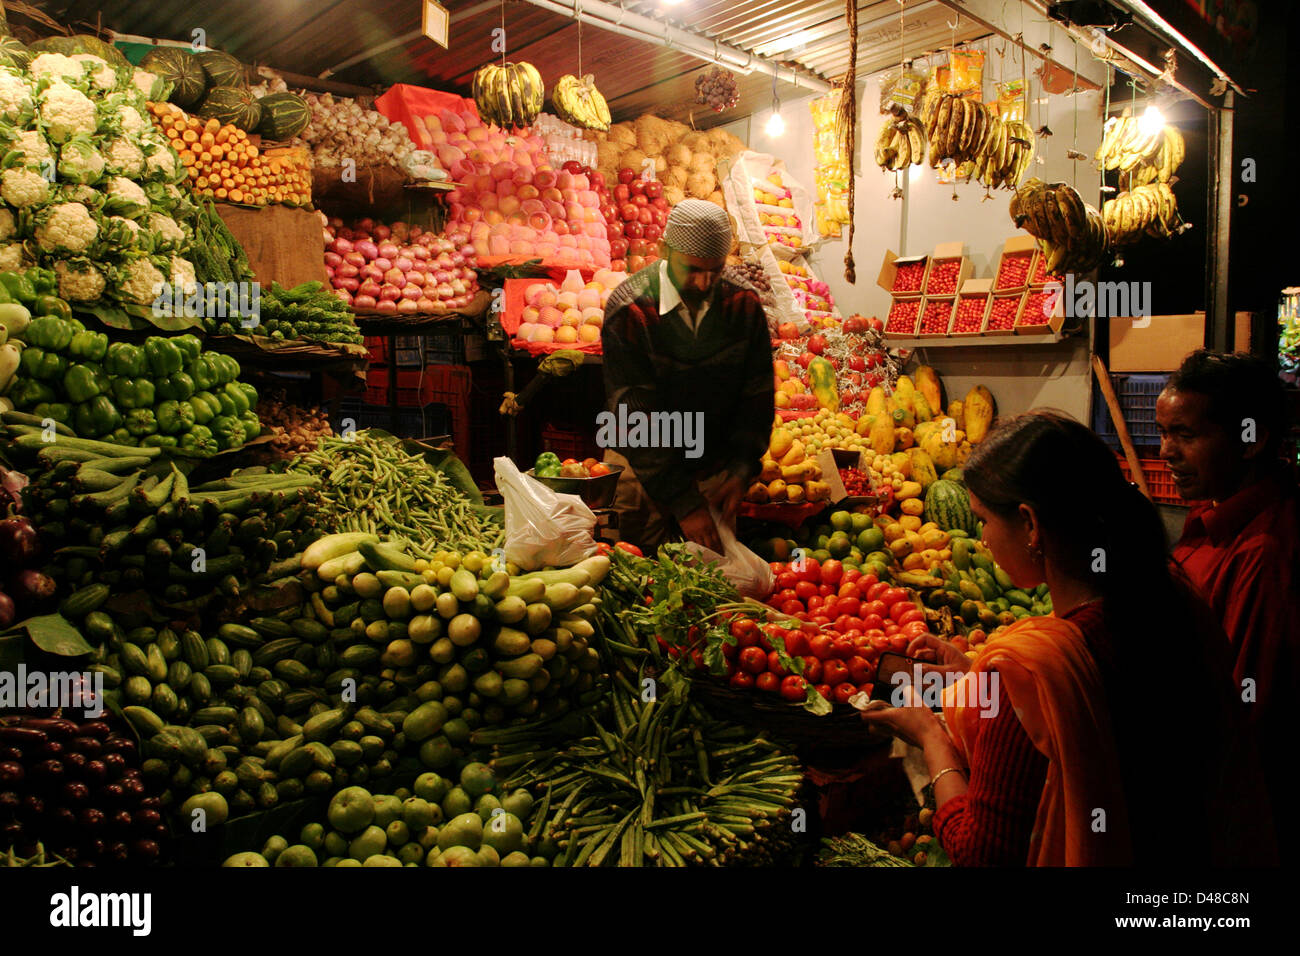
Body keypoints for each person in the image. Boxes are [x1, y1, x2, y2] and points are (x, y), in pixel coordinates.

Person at [861, 411, 1271, 866]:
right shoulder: (1171, 598)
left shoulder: (1032, 668)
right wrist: (974, 676)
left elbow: (981, 854)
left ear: (1030, 524)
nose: (982, 540)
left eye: (984, 520)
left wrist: (931, 737)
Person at [1155, 349, 1299, 851]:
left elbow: (1241, 722)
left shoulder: (1263, 553)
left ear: (1251, 440)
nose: (1166, 450)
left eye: (1185, 435)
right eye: (1164, 432)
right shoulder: (1211, 520)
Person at [600, 199, 774, 554]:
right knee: (636, 577)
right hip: (643, 463)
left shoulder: (744, 306)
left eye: (715, 270)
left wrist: (742, 468)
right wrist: (684, 502)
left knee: (712, 587)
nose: (703, 282)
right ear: (665, 250)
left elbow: (756, 396)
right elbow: (635, 416)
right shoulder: (630, 308)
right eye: (691, 269)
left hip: (713, 471)